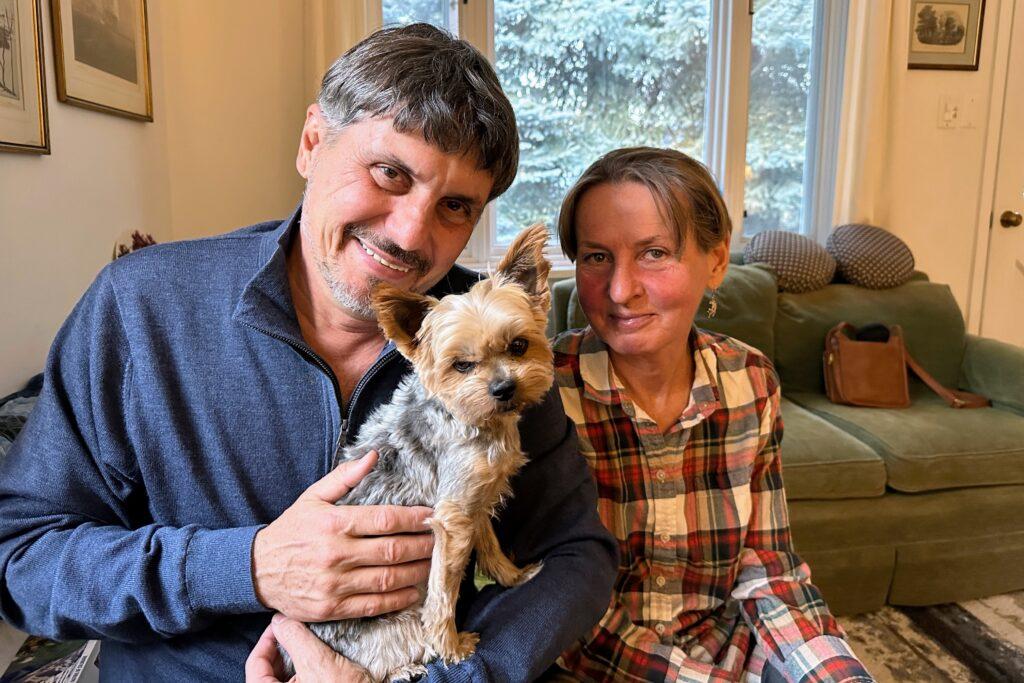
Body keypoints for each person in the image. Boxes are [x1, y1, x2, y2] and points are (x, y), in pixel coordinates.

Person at [0, 24, 617, 682]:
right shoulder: (142, 308)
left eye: (455, 205)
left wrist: (461, 677)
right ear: (312, 141)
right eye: (390, 172)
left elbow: (577, 553)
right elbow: (21, 557)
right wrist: (248, 566)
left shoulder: (496, 335)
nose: (410, 233)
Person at [545, 147, 874, 682]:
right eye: (596, 256)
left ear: (717, 261)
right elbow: (558, 599)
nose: (620, 290)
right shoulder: (543, 394)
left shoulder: (751, 380)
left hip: (723, 648)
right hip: (590, 664)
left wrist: (836, 674)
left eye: (654, 253)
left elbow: (768, 571)